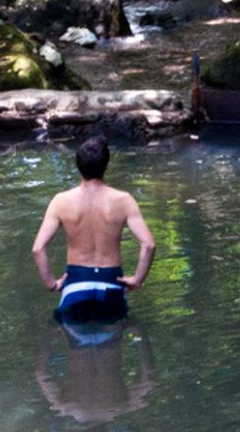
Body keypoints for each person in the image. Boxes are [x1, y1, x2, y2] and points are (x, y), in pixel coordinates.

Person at [32, 136, 156, 323]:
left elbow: (38, 249)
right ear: (106, 166)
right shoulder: (124, 200)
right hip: (111, 284)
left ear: (77, 166)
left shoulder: (61, 201)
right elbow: (148, 245)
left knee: (76, 345)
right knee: (112, 345)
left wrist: (52, 284)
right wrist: (137, 279)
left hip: (76, 284)